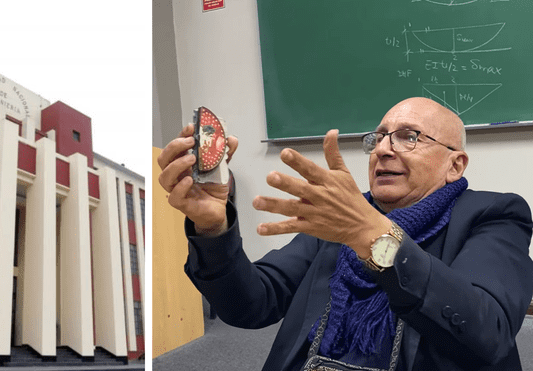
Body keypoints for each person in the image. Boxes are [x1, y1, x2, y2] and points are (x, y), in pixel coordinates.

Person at [157, 97, 533, 370]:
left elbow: (488, 332)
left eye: (409, 136)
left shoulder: (494, 214)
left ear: (455, 164)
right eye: (379, 138)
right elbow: (251, 305)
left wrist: (372, 234)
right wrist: (212, 227)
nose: (383, 150)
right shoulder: (338, 216)